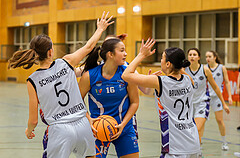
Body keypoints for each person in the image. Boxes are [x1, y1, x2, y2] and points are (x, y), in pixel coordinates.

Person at [8, 11, 114, 158]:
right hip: (83, 124)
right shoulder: (66, 62)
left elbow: (33, 119)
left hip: (60, 130)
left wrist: (29, 129)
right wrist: (100, 28)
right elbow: (89, 47)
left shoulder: (32, 80)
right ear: (51, 51)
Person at [122, 39, 201, 158]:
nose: (161, 61)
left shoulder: (160, 81)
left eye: (162, 58)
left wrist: (141, 55)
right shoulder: (188, 79)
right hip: (193, 142)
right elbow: (149, 91)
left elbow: (126, 75)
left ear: (168, 64)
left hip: (175, 145)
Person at [79, 38, 139, 158]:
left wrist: (123, 124)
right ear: (110, 54)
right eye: (122, 50)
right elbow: (77, 101)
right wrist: (88, 119)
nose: (125, 54)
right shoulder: (89, 76)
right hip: (97, 129)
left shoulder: (127, 74)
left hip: (124, 128)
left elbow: (135, 102)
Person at [185, 48, 230, 150]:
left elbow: (215, 87)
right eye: (190, 54)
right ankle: (198, 150)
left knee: (196, 128)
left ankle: (224, 142)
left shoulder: (205, 69)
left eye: (194, 54)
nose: (192, 56)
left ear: (198, 57)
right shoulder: (184, 70)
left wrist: (224, 103)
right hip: (189, 104)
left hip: (202, 102)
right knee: (196, 130)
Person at [205, 50, 232, 150]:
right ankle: (197, 143)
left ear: (214, 57)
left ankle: (224, 142)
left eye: (209, 56)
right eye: (206, 56)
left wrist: (229, 96)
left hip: (217, 98)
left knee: (220, 120)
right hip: (206, 97)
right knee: (201, 121)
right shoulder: (204, 68)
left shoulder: (221, 68)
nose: (207, 58)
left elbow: (227, 82)